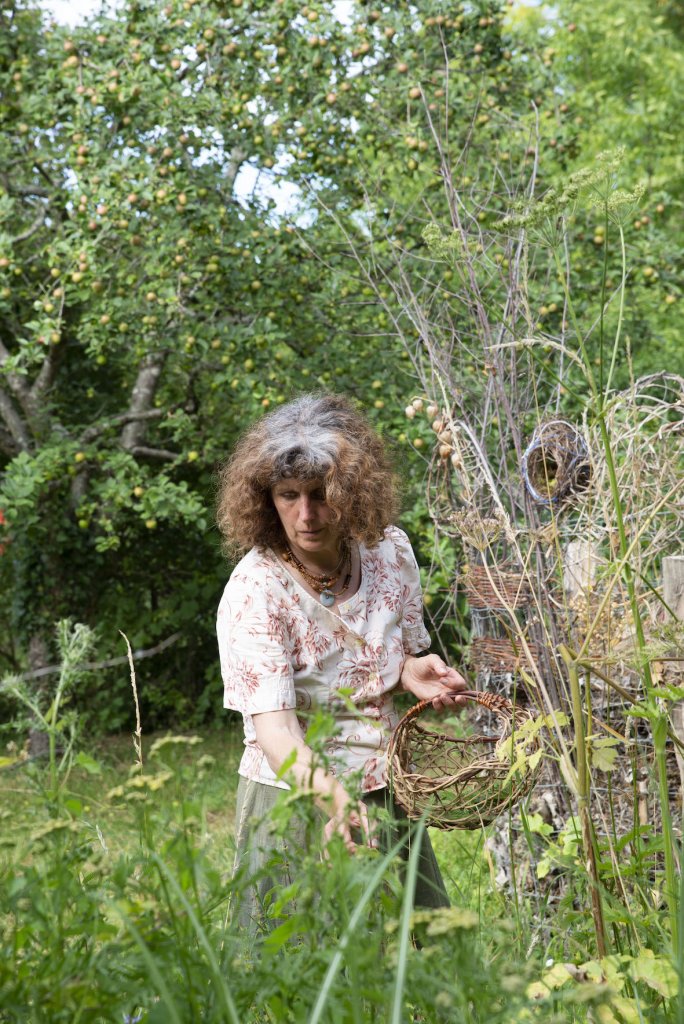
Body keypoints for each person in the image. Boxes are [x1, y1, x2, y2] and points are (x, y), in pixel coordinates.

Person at [216, 393, 467, 935]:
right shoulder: (256, 591)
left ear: (352, 491)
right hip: (297, 800)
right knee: (302, 966)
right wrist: (334, 800)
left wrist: (409, 671)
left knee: (406, 964)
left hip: (385, 789)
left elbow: (389, 656)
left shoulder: (389, 553)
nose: (306, 515)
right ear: (266, 499)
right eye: (288, 495)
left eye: (321, 494)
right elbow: (277, 732)